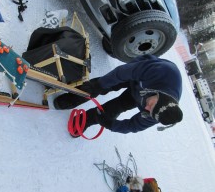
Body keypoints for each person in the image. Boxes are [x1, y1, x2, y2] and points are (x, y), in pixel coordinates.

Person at [54, 54, 183, 135]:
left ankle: (85, 120)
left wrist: (110, 124)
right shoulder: (164, 73)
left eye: (150, 112)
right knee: (102, 85)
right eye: (151, 106)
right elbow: (122, 73)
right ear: (161, 97)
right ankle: (73, 97)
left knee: (116, 107)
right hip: (136, 73)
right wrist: (100, 85)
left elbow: (133, 125)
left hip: (141, 94)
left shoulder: (155, 114)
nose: (146, 110)